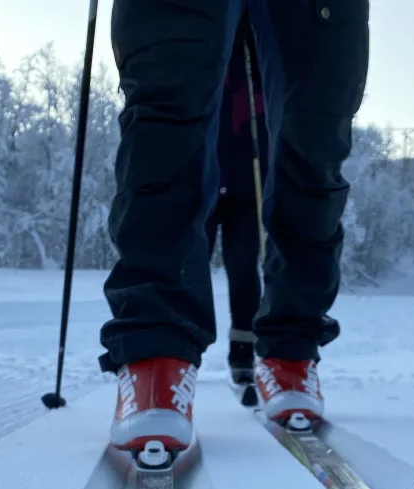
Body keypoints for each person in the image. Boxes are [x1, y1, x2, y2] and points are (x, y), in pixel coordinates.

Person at [102, 0, 369, 452]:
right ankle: (156, 355)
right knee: (168, 98)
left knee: (317, 127)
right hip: (219, 189)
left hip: (244, 192)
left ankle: (289, 347)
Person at [207, 17, 268, 390]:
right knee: (189, 264)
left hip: (248, 181)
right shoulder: (207, 39)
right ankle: (179, 355)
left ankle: (243, 353)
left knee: (244, 269)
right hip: (206, 177)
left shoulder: (257, 48)